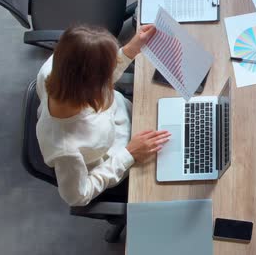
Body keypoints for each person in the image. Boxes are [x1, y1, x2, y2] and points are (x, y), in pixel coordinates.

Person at [36, 25, 170, 206]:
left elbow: (89, 73)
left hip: (130, 119)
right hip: (124, 156)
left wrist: (130, 50)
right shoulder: (67, 150)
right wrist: (129, 154)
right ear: (93, 87)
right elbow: (77, 196)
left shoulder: (55, 70)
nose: (115, 66)